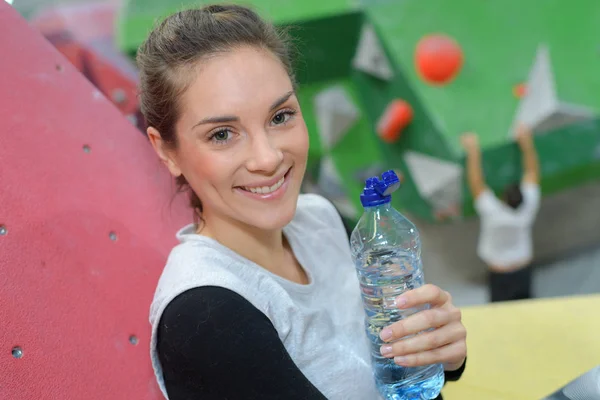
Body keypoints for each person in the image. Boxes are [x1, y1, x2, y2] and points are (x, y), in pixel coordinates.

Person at [138, 4, 467, 399]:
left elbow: (395, 373)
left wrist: (439, 354)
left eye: (280, 117)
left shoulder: (323, 219)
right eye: (222, 134)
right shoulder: (204, 315)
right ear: (167, 152)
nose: (268, 158)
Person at [461, 125, 541, 302]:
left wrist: (473, 151)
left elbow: (476, 182)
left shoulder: (493, 213)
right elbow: (532, 172)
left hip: (500, 273)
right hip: (523, 268)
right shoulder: (530, 205)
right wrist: (527, 144)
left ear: (504, 200)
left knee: (499, 315)